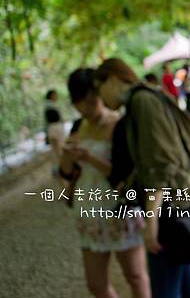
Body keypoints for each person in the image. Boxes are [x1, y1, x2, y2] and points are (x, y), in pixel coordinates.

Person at [93, 58, 190, 298]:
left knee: (166, 288)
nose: (99, 99)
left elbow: (159, 164)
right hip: (175, 202)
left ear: (112, 79)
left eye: (99, 88)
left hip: (167, 209)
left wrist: (151, 221)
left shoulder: (141, 101)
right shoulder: (145, 97)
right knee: (185, 282)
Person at [58, 68, 150, 298]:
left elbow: (125, 174)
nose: (86, 109)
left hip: (118, 209)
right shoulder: (78, 126)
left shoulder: (119, 125)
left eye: (91, 102)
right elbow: (66, 173)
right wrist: (68, 157)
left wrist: (89, 158)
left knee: (135, 276)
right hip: (88, 209)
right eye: (80, 103)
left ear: (99, 94)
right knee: (95, 283)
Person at [44, 89, 65, 160]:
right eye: (54, 95)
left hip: (55, 128)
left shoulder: (51, 105)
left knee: (57, 149)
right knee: (58, 149)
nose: (56, 97)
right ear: (50, 96)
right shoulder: (49, 105)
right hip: (55, 128)